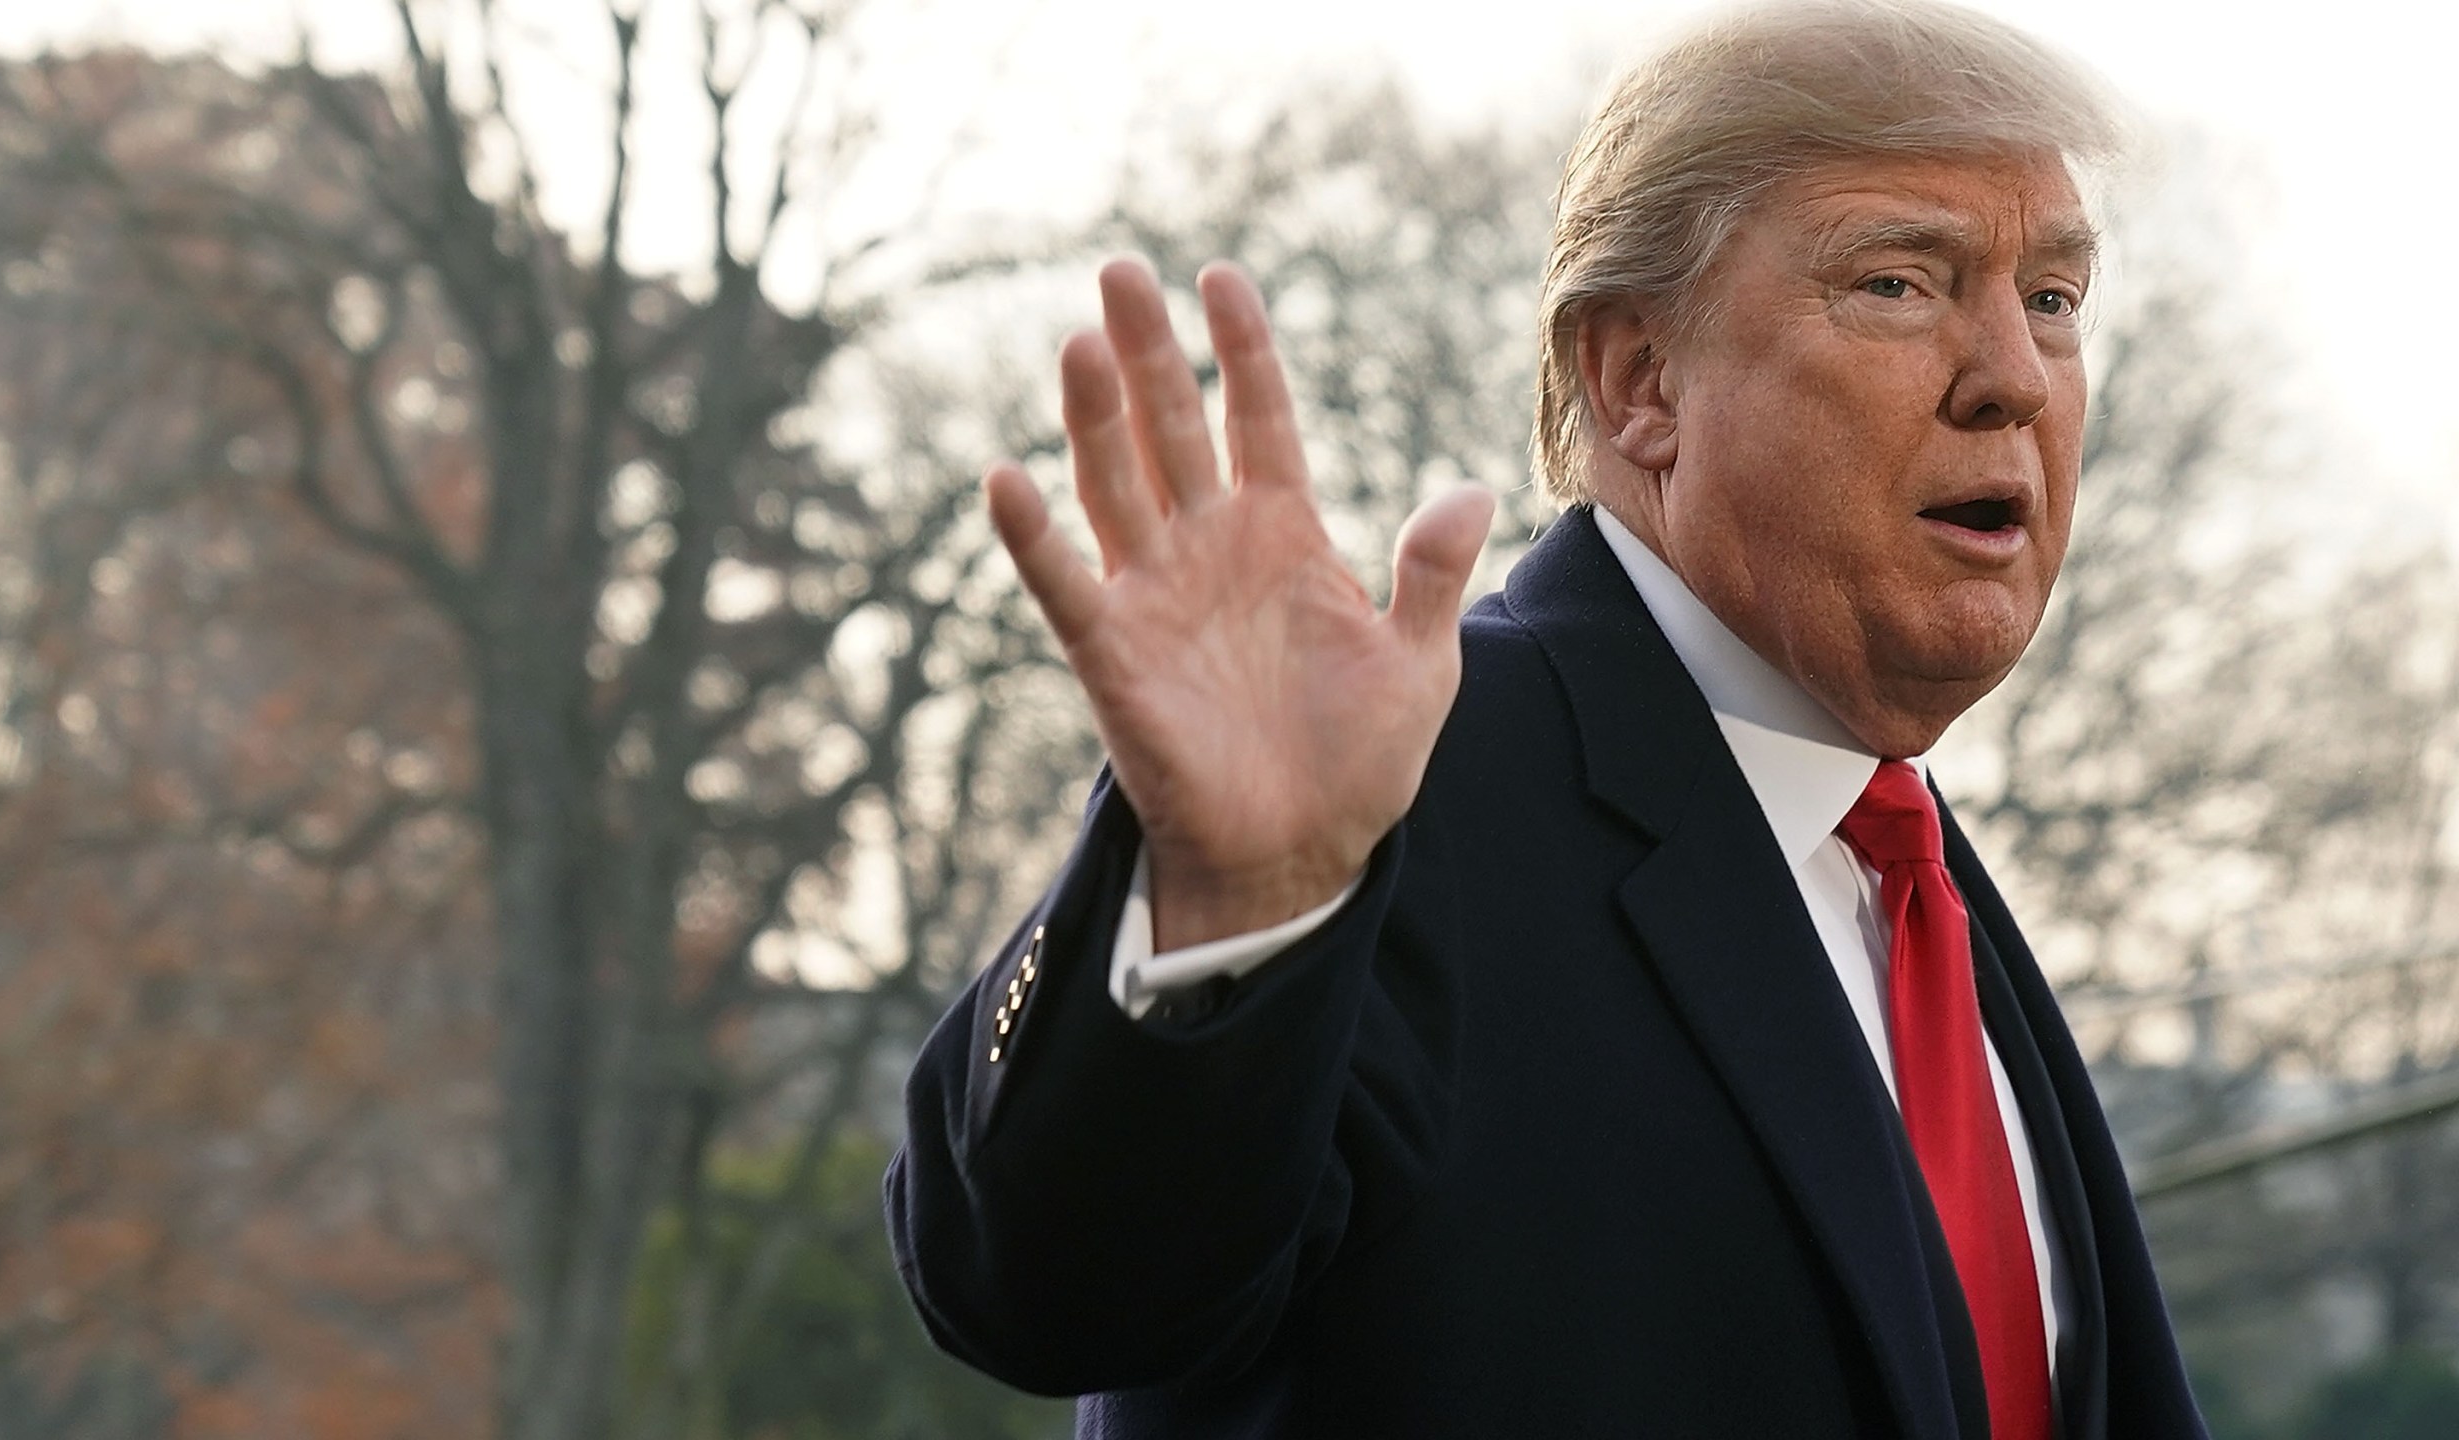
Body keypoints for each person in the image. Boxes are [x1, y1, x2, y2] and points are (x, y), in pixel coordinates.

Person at [885, 1, 2213, 1435]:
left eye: (2056, 300)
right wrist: (1236, 901)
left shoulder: (1904, 874)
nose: (2013, 374)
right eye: (1900, 282)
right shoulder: (1397, 785)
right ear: (1643, 381)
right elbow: (1052, 1286)